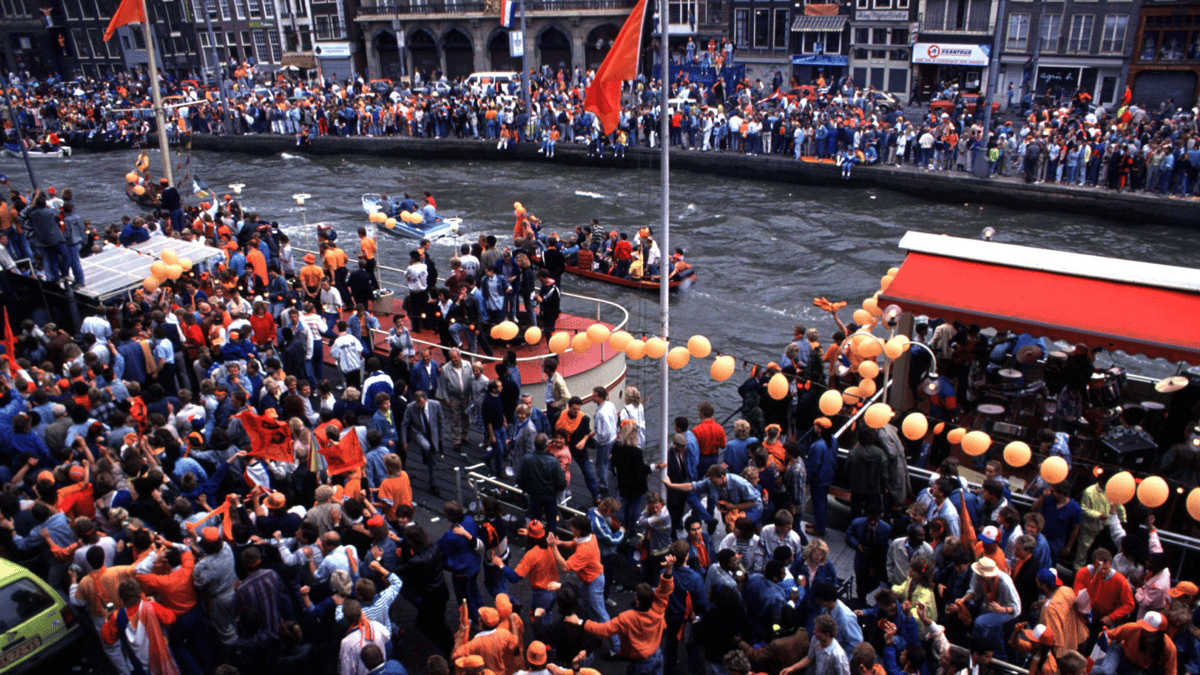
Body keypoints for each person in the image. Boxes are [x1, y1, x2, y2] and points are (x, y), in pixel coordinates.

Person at [566, 552, 676, 674]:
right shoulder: (658, 607)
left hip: (640, 662)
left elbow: (604, 629)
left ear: (637, 601)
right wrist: (668, 571)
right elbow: (664, 591)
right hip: (657, 654)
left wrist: (580, 622)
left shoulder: (627, 618)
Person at [400, 390, 444, 496]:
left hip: (432, 433)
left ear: (426, 400)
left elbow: (441, 421)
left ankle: (433, 485)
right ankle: (425, 454)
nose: (420, 406)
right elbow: (404, 424)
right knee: (426, 446)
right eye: (418, 403)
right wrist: (404, 441)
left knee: (432, 461)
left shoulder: (436, 405)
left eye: (422, 403)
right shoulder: (411, 407)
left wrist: (441, 437)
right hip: (418, 432)